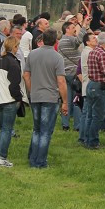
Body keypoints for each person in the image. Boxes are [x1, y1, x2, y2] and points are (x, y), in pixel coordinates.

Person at [24, 28, 68, 168]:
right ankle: (40, 161)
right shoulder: (57, 57)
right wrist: (65, 101)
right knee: (45, 131)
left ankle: (33, 158)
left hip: (36, 96)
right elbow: (61, 81)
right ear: (55, 41)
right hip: (50, 97)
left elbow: (26, 75)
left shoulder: (32, 54)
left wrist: (32, 90)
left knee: (37, 129)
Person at [0, 36, 25, 167]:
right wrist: (19, 98)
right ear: (14, 47)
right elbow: (14, 85)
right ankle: (2, 157)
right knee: (7, 129)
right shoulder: (13, 63)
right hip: (8, 99)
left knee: (3, 129)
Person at [82, 31, 105, 149]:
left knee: (89, 114)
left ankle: (87, 139)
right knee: (98, 116)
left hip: (91, 84)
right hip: (100, 86)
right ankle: (93, 141)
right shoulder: (102, 54)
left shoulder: (92, 52)